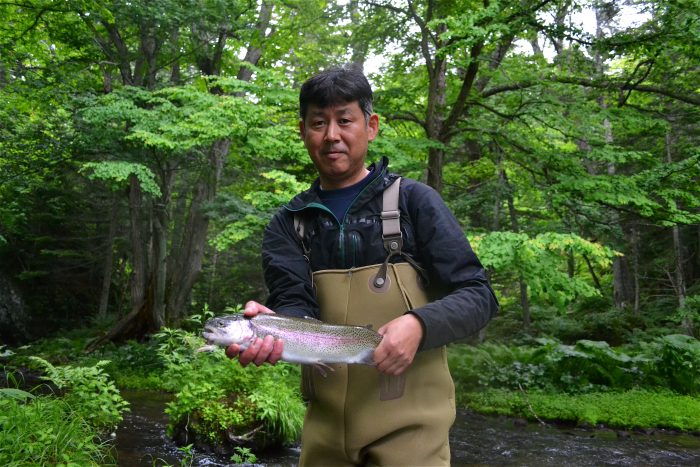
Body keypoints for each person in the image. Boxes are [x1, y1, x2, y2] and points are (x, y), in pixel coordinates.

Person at [226, 65, 498, 466]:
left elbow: (479, 295)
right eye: (318, 122)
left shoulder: (415, 203)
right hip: (324, 435)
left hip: (413, 434)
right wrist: (275, 328)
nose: (331, 135)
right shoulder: (289, 224)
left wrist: (419, 325)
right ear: (303, 131)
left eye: (344, 120)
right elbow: (296, 305)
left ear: (370, 126)